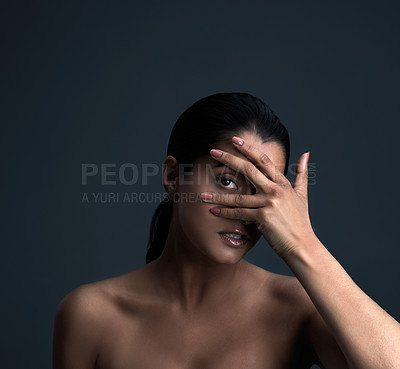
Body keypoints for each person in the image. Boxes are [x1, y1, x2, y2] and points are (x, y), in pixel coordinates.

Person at [53, 92, 400, 369]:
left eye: (263, 191)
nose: (248, 214)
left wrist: (303, 245)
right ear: (173, 177)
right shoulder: (91, 314)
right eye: (228, 180)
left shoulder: (298, 308)